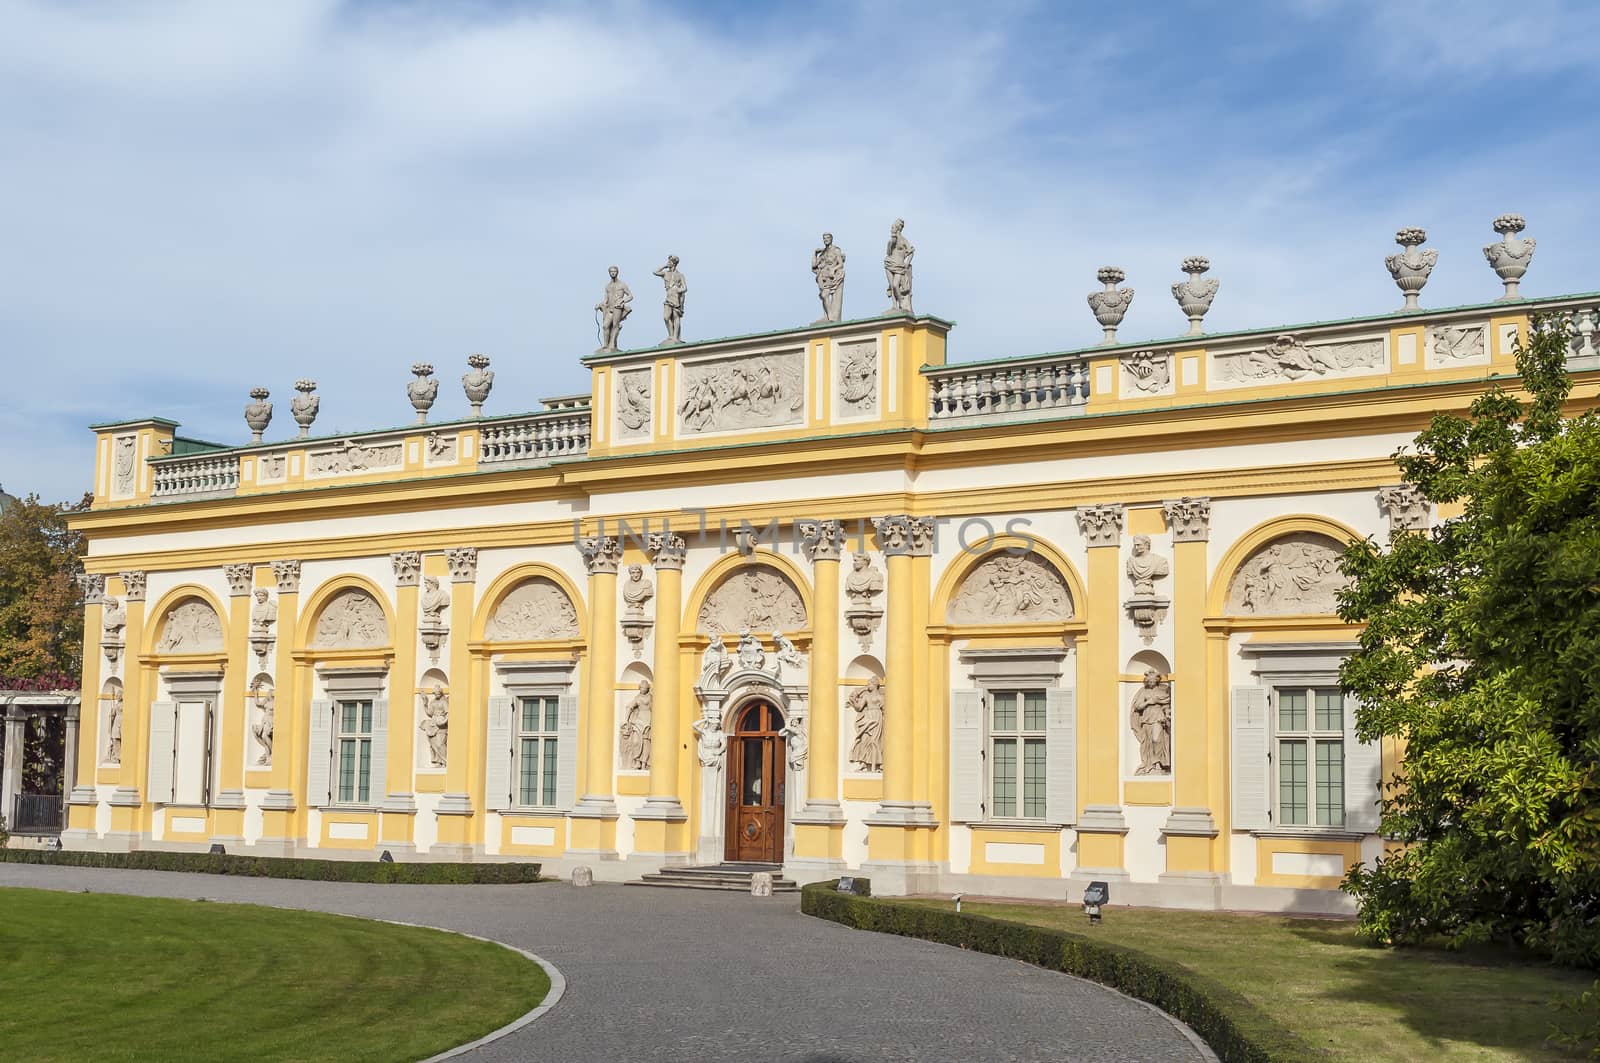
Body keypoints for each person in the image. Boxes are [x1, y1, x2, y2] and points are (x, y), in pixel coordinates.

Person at [1129, 669, 1172, 775]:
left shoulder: (1163, 691)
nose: (1150, 683)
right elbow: (1138, 706)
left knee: (1156, 739)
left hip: (1158, 717)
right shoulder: (1144, 692)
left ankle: (1158, 761)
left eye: (1152, 681)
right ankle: (1152, 764)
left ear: (1156, 680)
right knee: (1148, 742)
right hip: (1147, 718)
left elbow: (1167, 703)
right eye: (1149, 681)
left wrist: (1167, 713)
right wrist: (1149, 702)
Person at [848, 677, 885, 772]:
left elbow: (885, 710)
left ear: (875, 684)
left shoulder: (881, 697)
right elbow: (859, 707)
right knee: (864, 739)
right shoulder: (866, 696)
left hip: (877, 718)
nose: (868, 686)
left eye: (869, 684)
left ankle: (875, 765)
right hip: (868, 717)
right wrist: (853, 701)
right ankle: (864, 762)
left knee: (875, 741)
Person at [595, 265, 633, 353]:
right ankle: (605, 344)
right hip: (610, 308)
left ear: (617, 272)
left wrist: (622, 301)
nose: (613, 273)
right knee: (605, 326)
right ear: (609, 273)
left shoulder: (622, 284)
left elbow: (630, 296)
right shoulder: (607, 286)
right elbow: (606, 300)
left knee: (615, 325)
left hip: (618, 308)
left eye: (614, 271)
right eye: (611, 271)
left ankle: (612, 344)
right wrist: (599, 305)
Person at [811, 233, 846, 323]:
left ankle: (830, 317)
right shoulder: (822, 254)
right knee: (824, 296)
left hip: (832, 277)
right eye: (824, 238)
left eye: (828, 238)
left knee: (824, 295)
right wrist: (815, 253)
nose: (826, 239)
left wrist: (833, 269)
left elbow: (841, 264)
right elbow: (814, 266)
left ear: (831, 239)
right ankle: (827, 317)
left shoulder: (836, 250)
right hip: (823, 278)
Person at [619, 679, 653, 771]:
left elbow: (654, 709)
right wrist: (626, 720)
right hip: (638, 721)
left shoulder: (650, 697)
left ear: (647, 688)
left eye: (644, 688)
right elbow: (630, 707)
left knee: (646, 743)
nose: (643, 689)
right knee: (636, 741)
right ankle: (636, 760)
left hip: (648, 720)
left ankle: (644, 763)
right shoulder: (637, 698)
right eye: (641, 687)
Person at [653, 255, 687, 344]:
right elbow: (655, 272)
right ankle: (671, 335)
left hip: (676, 296)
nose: (668, 263)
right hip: (668, 296)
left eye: (670, 262)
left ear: (674, 263)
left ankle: (675, 337)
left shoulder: (680, 275)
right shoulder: (665, 273)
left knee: (676, 317)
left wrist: (677, 289)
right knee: (666, 317)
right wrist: (664, 266)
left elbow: (685, 288)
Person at [883, 218, 914, 314]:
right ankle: (894, 305)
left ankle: (901, 304)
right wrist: (890, 244)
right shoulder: (892, 239)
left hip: (899, 266)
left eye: (897, 226)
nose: (896, 228)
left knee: (896, 285)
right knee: (892, 286)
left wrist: (907, 263)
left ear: (900, 228)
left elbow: (911, 252)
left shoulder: (904, 240)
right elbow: (888, 253)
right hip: (889, 263)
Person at [420, 684, 449, 767]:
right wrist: (425, 703)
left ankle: (446, 761)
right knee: (433, 744)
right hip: (433, 724)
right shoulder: (432, 702)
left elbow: (448, 714)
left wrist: (443, 721)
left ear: (441, 693)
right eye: (435, 693)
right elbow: (429, 713)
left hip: (442, 725)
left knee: (440, 744)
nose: (437, 695)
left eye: (438, 693)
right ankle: (439, 762)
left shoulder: (444, 701)